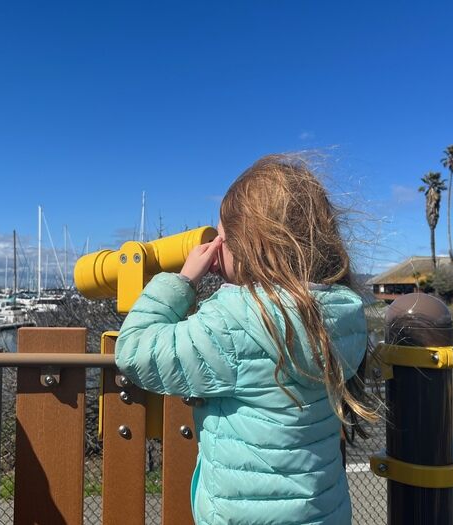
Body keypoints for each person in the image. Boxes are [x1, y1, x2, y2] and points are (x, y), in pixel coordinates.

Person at [114, 154, 377, 525]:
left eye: (223, 235)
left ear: (255, 243)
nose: (216, 246)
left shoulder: (235, 323)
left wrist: (183, 281)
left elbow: (135, 351)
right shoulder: (342, 313)